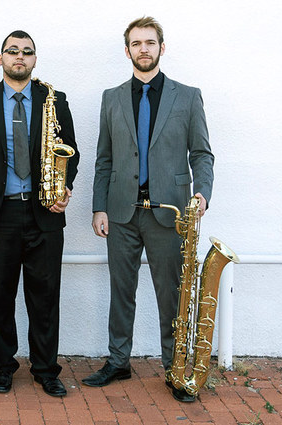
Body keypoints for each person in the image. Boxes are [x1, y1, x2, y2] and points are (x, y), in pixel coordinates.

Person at [85, 16, 214, 403]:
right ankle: (118, 361)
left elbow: (201, 153)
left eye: (150, 42)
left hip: (169, 214)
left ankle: (175, 369)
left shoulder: (187, 96)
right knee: (121, 291)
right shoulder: (111, 97)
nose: (144, 49)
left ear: (162, 48)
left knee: (171, 295)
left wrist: (202, 194)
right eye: (136, 43)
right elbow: (104, 159)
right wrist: (98, 207)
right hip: (121, 212)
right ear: (127, 51)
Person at [0, 30, 79, 398]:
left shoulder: (54, 100)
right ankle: (3, 367)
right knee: (0, 295)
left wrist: (64, 188)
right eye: (13, 51)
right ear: (1, 58)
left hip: (45, 212)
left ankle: (45, 369)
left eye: (27, 51)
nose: (19, 57)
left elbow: (70, 151)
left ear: (35, 59)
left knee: (45, 297)